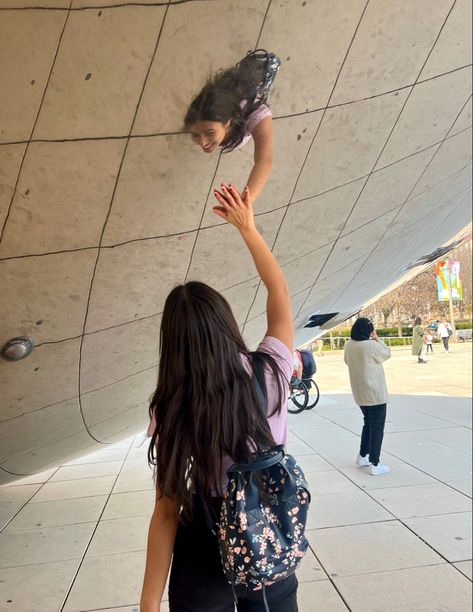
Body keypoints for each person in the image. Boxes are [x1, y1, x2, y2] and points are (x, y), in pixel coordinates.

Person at [140, 184, 298, 612]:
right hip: (266, 538)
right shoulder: (272, 370)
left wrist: (148, 604)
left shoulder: (171, 407)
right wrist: (247, 228)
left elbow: (167, 510)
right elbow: (278, 291)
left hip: (204, 551)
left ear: (172, 347)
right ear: (227, 324)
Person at [184, 51, 281, 202]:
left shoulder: (256, 115)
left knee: (260, 84)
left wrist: (245, 203)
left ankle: (267, 70)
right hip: (234, 90)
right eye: (195, 135)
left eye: (210, 132)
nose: (203, 142)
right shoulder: (204, 113)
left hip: (250, 94)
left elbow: (265, 160)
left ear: (229, 121)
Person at [344, 319, 392, 476]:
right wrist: (378, 339)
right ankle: (375, 463)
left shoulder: (349, 344)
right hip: (375, 393)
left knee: (368, 424)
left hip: (360, 392)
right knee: (377, 427)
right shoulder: (371, 345)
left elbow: (347, 361)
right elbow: (387, 353)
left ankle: (363, 455)